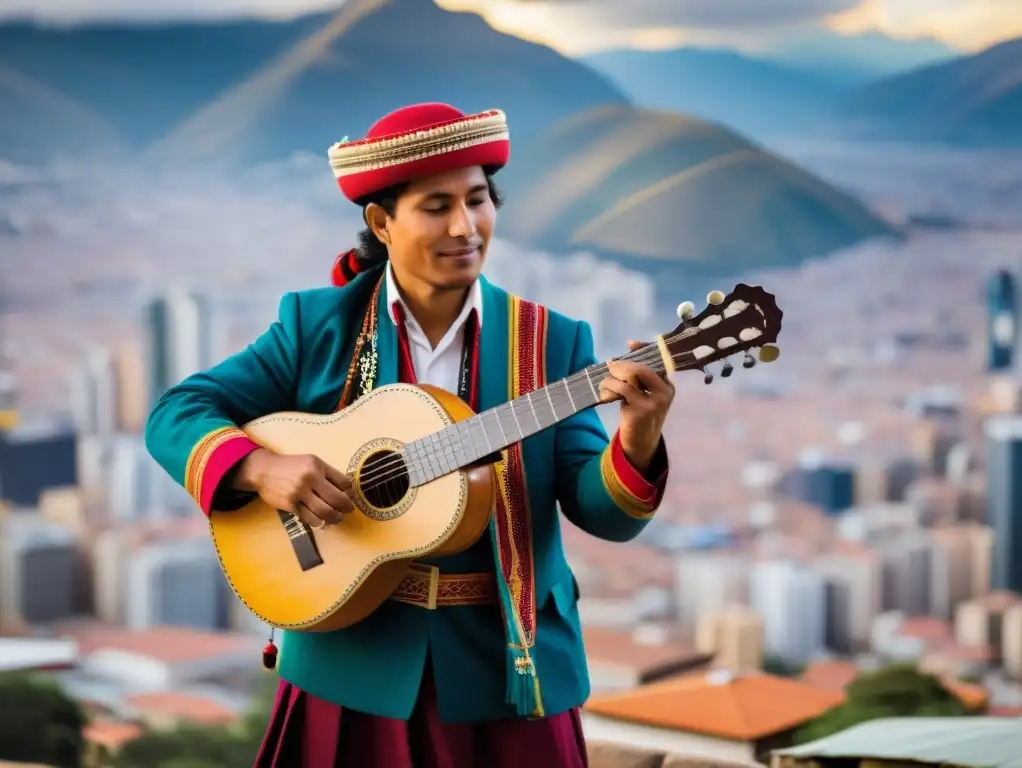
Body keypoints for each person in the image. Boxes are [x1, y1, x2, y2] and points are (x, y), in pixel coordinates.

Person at [145, 102, 674, 768]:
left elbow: (599, 509)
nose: (465, 226)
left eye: (478, 200)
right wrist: (259, 469)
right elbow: (177, 411)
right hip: (349, 659)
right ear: (380, 221)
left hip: (507, 670)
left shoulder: (551, 341)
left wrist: (640, 436)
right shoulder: (320, 326)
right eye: (435, 206)